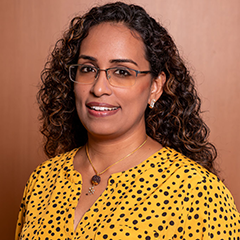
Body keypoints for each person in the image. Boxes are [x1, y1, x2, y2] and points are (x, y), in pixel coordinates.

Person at [16, 2, 240, 239]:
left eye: (122, 72)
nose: (99, 88)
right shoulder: (42, 180)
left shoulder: (198, 192)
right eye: (88, 69)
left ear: (155, 86)